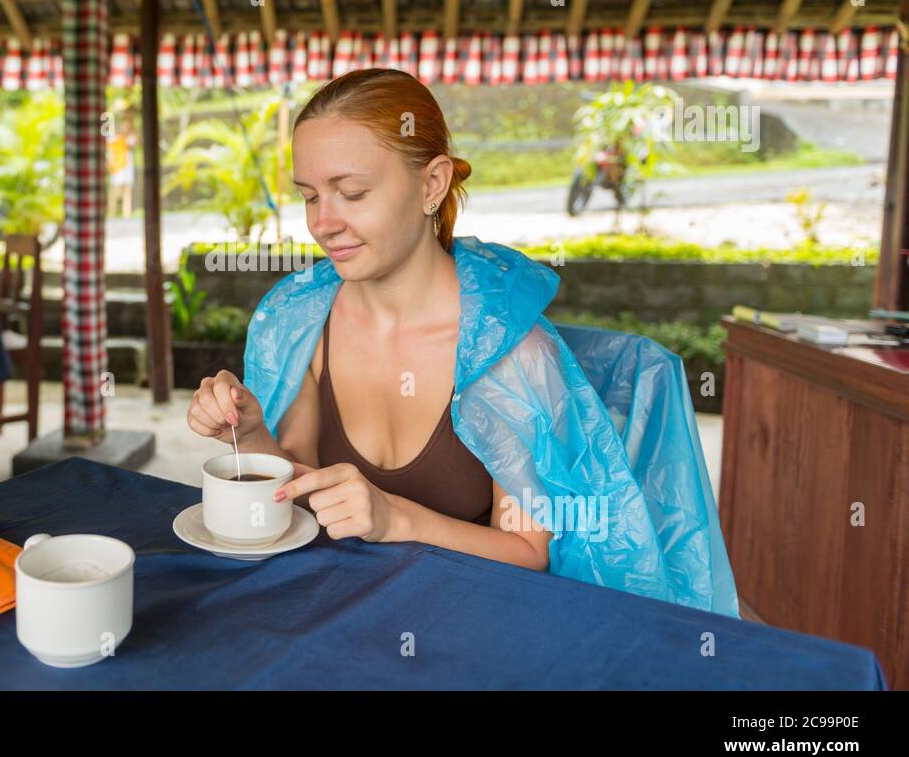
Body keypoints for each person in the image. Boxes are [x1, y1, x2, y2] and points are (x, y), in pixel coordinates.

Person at [187, 67, 739, 616]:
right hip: (348, 611)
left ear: (432, 184)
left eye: (351, 193)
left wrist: (395, 518)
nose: (323, 223)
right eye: (310, 197)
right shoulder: (302, 324)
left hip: (477, 620)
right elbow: (299, 495)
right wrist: (252, 431)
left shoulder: (511, 351)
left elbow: (528, 550)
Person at [106, 112, 137, 218]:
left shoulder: (128, 138)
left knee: (127, 189)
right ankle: (112, 213)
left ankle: (126, 214)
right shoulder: (113, 138)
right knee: (114, 189)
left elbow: (135, 141)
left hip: (126, 163)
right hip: (116, 165)